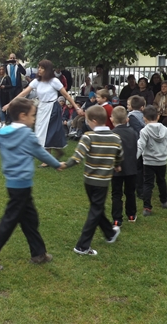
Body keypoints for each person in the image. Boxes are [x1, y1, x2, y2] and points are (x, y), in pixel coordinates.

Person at [0, 98, 63, 271]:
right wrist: (57, 164)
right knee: (9, 222)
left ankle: (39, 253)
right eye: (32, 115)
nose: (34, 119)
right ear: (22, 116)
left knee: (30, 219)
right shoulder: (27, 135)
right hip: (21, 185)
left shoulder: (3, 133)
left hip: (15, 185)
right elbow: (41, 153)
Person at [60, 105, 123, 256]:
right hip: (103, 181)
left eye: (87, 120)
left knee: (96, 208)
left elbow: (77, 158)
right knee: (96, 208)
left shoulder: (88, 137)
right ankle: (83, 246)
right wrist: (117, 165)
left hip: (89, 180)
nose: (86, 123)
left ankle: (108, 234)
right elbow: (119, 155)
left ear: (93, 121)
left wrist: (65, 165)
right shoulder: (115, 138)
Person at [5, 60, 83, 164]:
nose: (39, 70)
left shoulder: (54, 81)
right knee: (40, 131)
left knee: (48, 131)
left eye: (42, 68)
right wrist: (10, 103)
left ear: (47, 70)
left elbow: (66, 95)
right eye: (39, 67)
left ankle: (47, 159)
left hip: (53, 108)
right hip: (42, 107)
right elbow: (24, 93)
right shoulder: (36, 81)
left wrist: (77, 108)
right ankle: (58, 152)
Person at [137, 105, 167, 217]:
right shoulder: (166, 130)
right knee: (161, 181)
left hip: (148, 162)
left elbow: (140, 146)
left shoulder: (144, 131)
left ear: (144, 118)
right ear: (158, 116)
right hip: (162, 161)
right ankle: (164, 201)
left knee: (148, 184)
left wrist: (133, 158)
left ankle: (147, 207)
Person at [110, 106, 138, 226]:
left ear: (112, 119)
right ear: (127, 119)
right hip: (131, 167)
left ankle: (117, 219)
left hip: (116, 168)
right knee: (130, 192)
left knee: (116, 193)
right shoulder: (133, 133)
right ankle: (131, 214)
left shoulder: (112, 134)